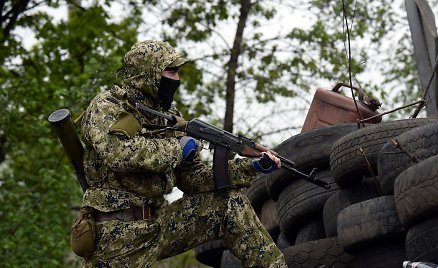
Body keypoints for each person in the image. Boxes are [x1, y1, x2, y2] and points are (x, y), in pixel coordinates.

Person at [78, 40, 287, 267]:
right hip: (116, 234)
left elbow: (194, 179)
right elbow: (119, 154)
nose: (176, 79)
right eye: (171, 71)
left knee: (229, 203)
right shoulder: (108, 106)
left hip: (159, 225)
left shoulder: (168, 117)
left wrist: (249, 167)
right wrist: (177, 148)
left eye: (177, 72)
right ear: (148, 73)